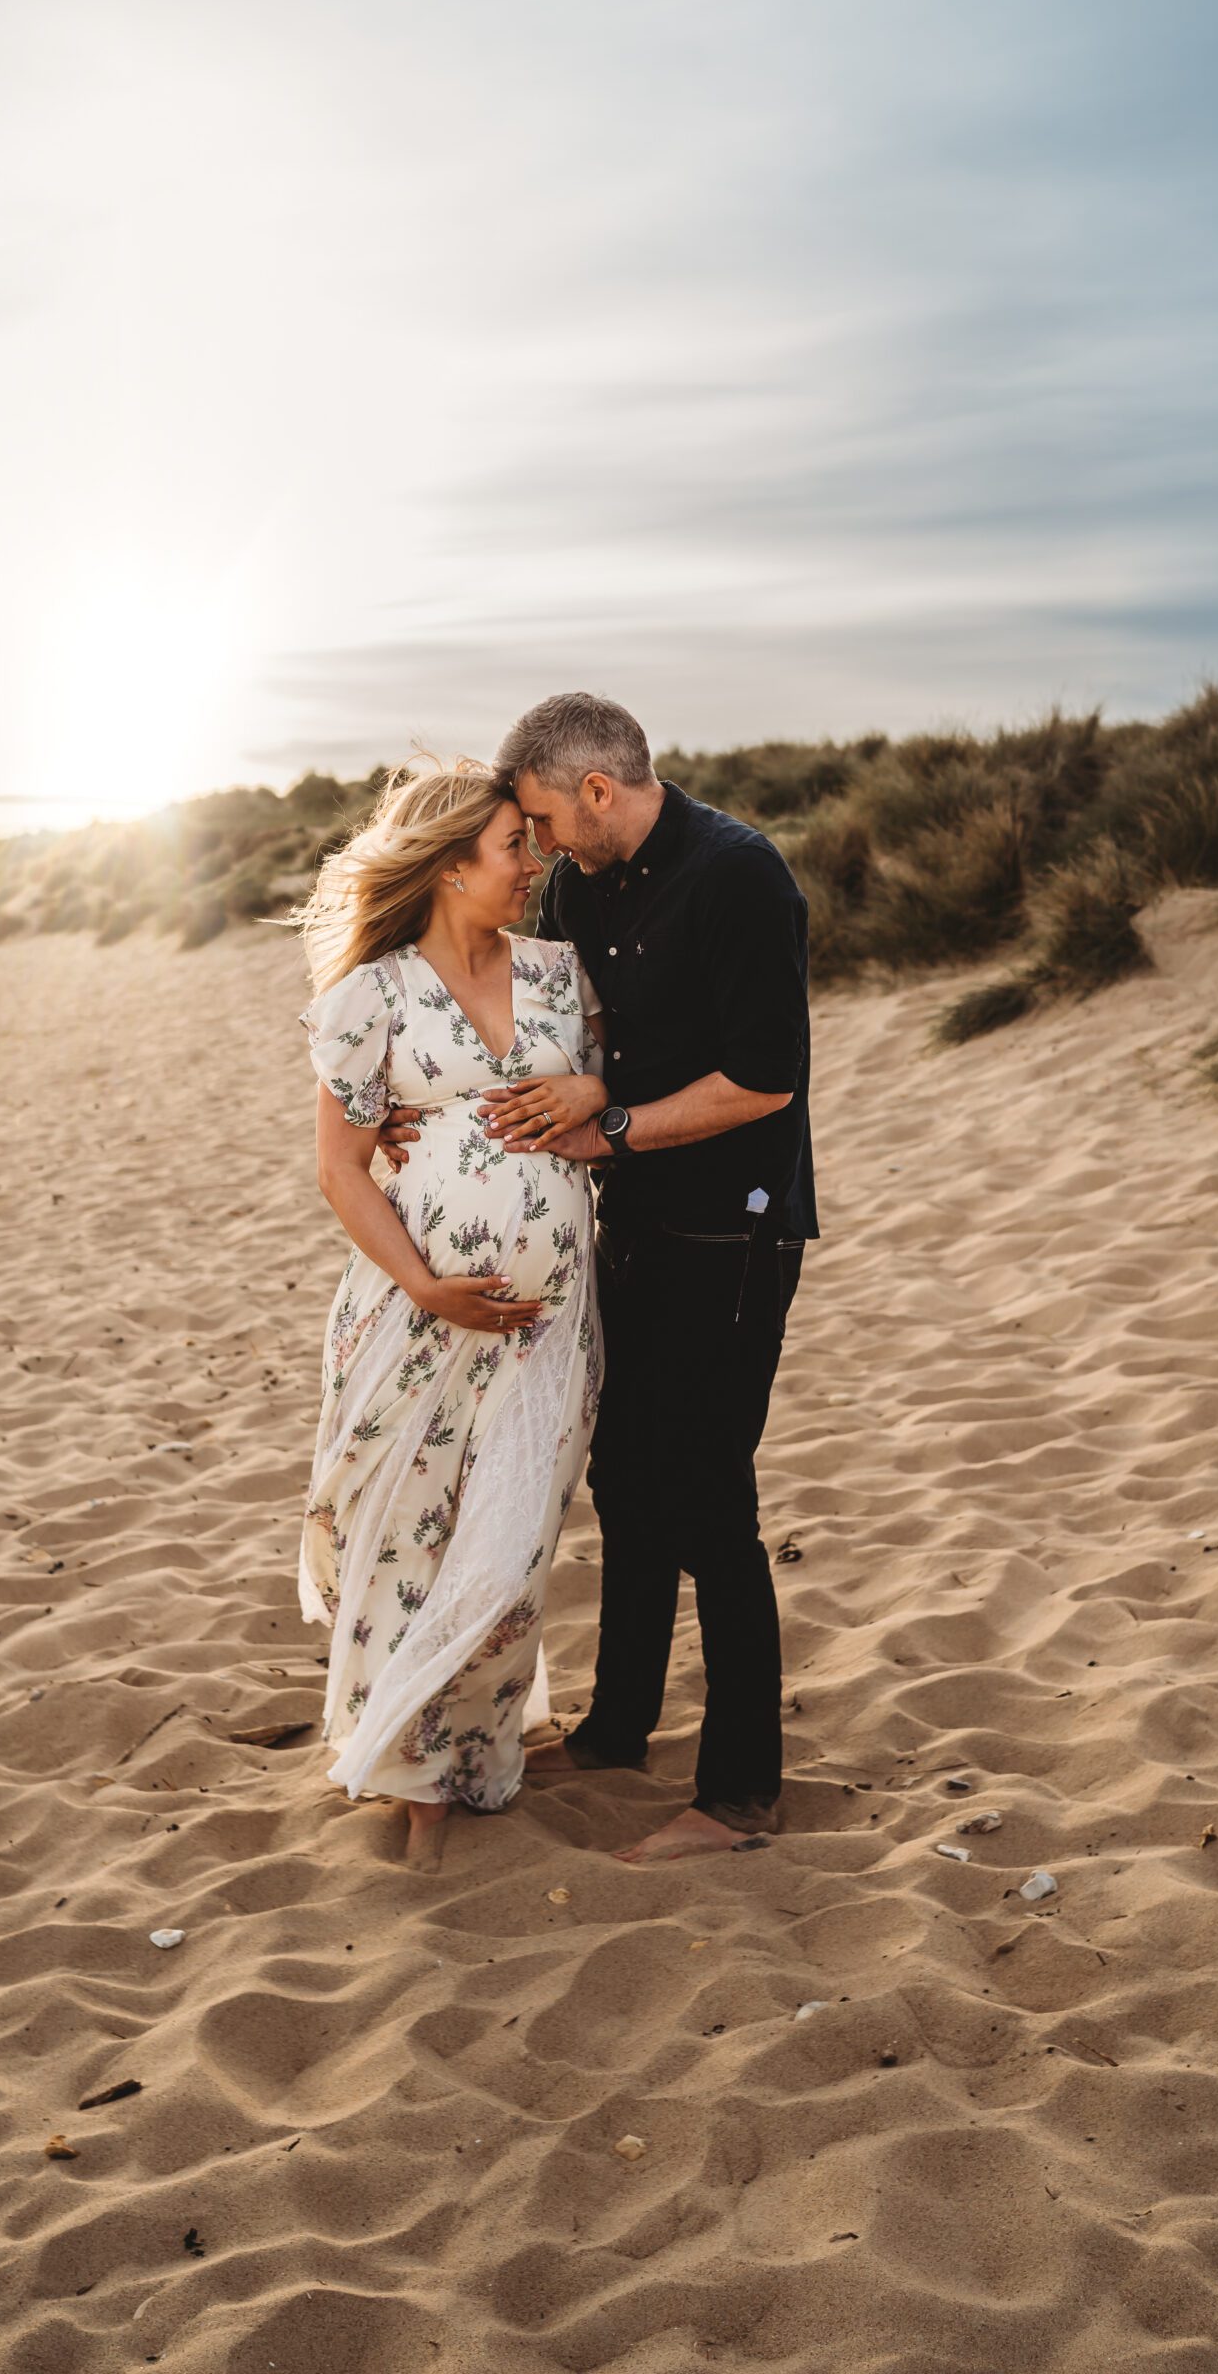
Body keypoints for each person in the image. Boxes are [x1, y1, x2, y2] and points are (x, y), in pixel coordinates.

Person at [476, 693, 818, 1864]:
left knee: (709, 1497)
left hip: (738, 1233)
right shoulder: (581, 885)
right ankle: (621, 1730)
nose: (539, 848)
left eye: (544, 820)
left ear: (598, 793)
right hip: (636, 1224)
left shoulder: (740, 876)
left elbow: (761, 1081)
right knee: (623, 1475)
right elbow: (596, 1034)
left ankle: (738, 1796)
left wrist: (609, 1122)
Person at [292, 760, 607, 1869]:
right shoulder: (370, 998)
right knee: (408, 1549)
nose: (536, 863)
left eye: (533, 839)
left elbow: (613, 1082)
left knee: (511, 1551)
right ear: (447, 864)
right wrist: (427, 1283)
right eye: (514, 845)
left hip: (545, 1322)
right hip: (414, 1317)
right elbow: (340, 1170)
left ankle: (473, 1749)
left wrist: (592, 1091)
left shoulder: (562, 974)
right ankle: (426, 1784)